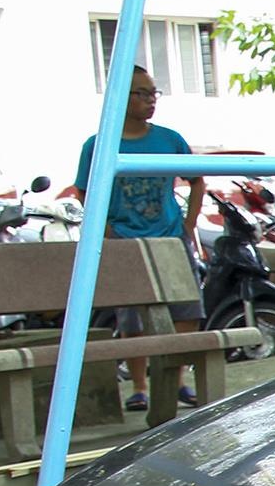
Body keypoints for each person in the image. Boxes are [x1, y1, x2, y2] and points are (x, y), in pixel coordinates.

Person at [75, 65, 205, 412]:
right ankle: (139, 386)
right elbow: (86, 193)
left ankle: (177, 381)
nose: (150, 101)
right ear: (121, 97)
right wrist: (107, 232)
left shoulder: (169, 139)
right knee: (133, 317)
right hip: (126, 240)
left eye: (153, 93)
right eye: (142, 94)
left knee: (186, 310)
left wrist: (189, 225)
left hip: (169, 236)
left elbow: (196, 181)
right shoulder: (99, 145)